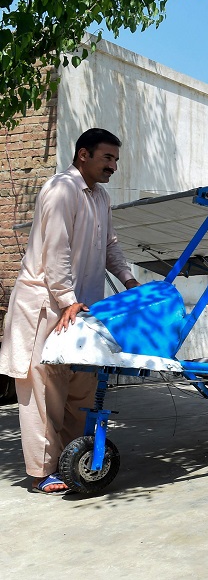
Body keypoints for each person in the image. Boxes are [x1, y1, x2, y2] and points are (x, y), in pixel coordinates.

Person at [0, 128, 139, 494]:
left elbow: (110, 244)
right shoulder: (60, 189)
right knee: (44, 391)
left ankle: (69, 461)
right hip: (45, 305)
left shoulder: (101, 197)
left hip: (82, 309)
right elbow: (55, 249)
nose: (113, 166)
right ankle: (41, 472)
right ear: (83, 155)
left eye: (115, 160)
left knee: (81, 386)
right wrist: (65, 298)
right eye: (107, 158)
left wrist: (128, 280)